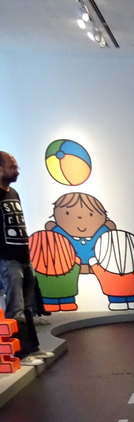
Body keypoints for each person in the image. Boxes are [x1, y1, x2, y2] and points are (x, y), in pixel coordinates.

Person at [0, 152, 54, 366]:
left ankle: (33, 348)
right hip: (7, 260)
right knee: (16, 308)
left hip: (24, 257)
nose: (17, 171)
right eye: (12, 167)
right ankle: (21, 353)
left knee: (29, 307)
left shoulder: (13, 192)